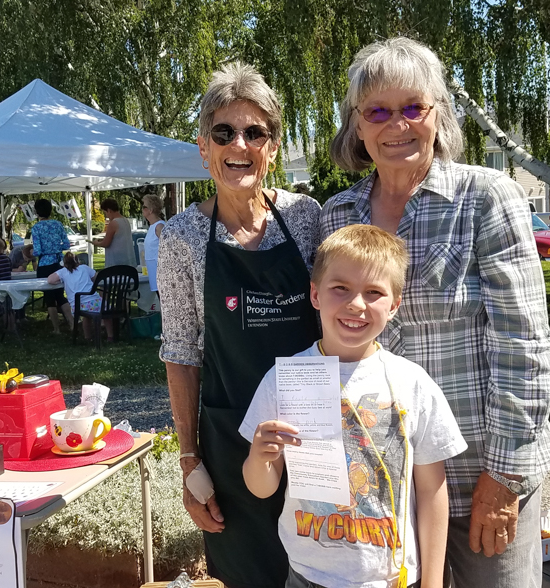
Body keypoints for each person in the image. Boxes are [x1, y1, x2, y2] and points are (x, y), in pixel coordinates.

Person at [319, 37, 550, 587]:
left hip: (481, 474)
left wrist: (504, 476)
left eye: (413, 107)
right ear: (358, 126)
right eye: (378, 111)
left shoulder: (485, 197)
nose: (396, 124)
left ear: (438, 115)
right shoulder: (339, 214)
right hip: (387, 485)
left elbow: (524, 344)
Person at [157, 62, 322, 588]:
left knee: (324, 568)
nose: (240, 145)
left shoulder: (307, 217)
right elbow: (181, 353)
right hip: (231, 442)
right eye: (224, 132)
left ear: (273, 147)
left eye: (256, 132)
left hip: (314, 436)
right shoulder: (180, 236)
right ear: (204, 147)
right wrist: (189, 461)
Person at [241, 224, 467, 588]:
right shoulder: (283, 380)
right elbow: (262, 488)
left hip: (393, 578)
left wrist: (433, 581)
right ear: (315, 294)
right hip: (309, 577)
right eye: (340, 288)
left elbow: (431, 491)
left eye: (373, 292)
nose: (356, 304)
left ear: (394, 305)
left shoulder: (413, 383)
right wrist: (260, 457)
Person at [48, 252, 110, 341]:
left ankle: (88, 337)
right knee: (107, 310)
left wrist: (60, 281)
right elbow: (96, 277)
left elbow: (50, 280)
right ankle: (111, 336)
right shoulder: (84, 268)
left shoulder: (63, 272)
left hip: (77, 305)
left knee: (86, 317)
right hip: (94, 301)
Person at [31, 198, 70, 333]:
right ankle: (72, 323)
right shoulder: (58, 224)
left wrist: (31, 253)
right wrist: (56, 248)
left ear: (37, 212)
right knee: (60, 295)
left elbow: (38, 250)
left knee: (49, 297)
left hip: (45, 264)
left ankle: (56, 328)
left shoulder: (36, 227)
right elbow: (66, 244)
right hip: (59, 262)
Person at [93, 198, 137, 267]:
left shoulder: (113, 223)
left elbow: (106, 244)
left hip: (116, 262)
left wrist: (96, 243)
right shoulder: (126, 221)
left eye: (105, 213)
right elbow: (118, 238)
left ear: (109, 210)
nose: (106, 216)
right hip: (128, 261)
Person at [141, 194, 167, 314]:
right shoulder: (152, 227)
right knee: (161, 300)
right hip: (153, 270)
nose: (142, 209)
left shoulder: (159, 227)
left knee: (165, 301)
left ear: (150, 210)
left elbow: (168, 248)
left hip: (160, 270)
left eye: (144, 207)